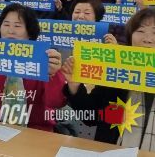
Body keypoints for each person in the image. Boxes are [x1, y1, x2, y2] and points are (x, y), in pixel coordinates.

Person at [61, 8, 155, 148]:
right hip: (112, 150)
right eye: (140, 31)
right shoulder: (116, 72)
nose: (148, 39)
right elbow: (91, 117)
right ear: (130, 36)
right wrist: (74, 86)